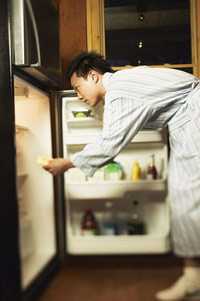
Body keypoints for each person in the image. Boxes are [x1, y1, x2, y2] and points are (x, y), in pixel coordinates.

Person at [43, 51, 200, 300]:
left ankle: (193, 277)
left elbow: (109, 143)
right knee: (184, 195)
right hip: (185, 120)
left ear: (93, 76)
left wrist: (67, 163)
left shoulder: (119, 91)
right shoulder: (121, 88)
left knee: (190, 196)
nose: (78, 95)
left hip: (194, 117)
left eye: (77, 87)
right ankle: (193, 277)